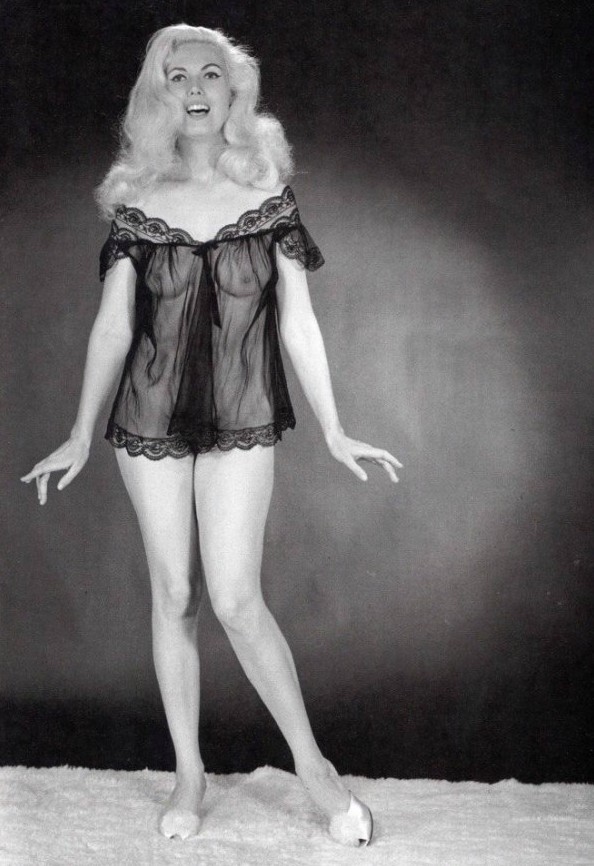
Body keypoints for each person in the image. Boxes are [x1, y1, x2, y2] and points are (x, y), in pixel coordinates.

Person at [21, 23, 402, 847]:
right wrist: (80, 433)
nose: (195, 88)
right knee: (175, 594)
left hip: (242, 412)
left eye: (211, 74)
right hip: (148, 414)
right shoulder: (136, 201)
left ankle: (314, 769)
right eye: (177, 75)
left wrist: (336, 428)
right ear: (157, 94)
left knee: (233, 596)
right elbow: (113, 328)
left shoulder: (268, 194)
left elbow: (298, 323)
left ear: (236, 92)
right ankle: (189, 773)